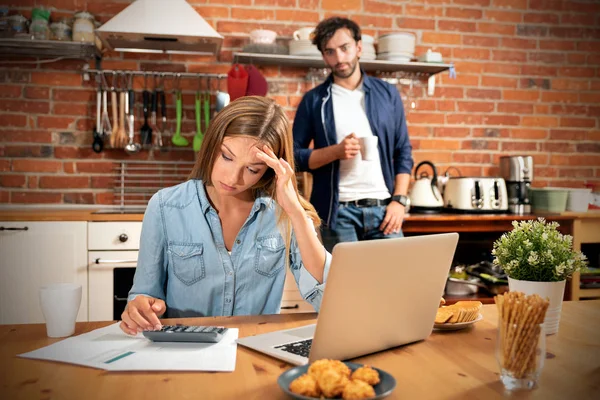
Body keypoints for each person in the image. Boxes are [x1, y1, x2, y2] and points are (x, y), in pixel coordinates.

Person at [120, 96, 331, 335]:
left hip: (255, 350)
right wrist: (139, 308)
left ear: (270, 171)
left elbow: (327, 298)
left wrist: (295, 211)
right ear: (212, 144)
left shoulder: (284, 214)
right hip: (184, 353)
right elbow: (144, 293)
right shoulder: (165, 206)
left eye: (252, 169)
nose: (232, 179)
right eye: (227, 157)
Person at [293, 17, 414, 252]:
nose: (339, 58)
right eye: (330, 52)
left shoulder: (387, 94)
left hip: (385, 211)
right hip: (337, 214)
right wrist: (335, 152)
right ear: (323, 56)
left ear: (358, 47)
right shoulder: (314, 101)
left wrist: (399, 201)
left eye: (344, 48)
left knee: (395, 283)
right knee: (347, 287)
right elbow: (294, 157)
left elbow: (403, 152)